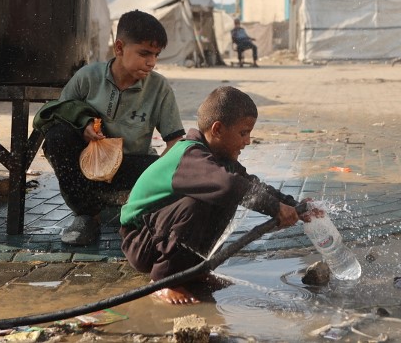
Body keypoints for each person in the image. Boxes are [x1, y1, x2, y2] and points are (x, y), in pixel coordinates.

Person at [119, 86, 303, 304]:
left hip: (157, 234)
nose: (248, 141)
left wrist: (295, 206)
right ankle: (165, 279)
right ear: (217, 129)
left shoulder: (220, 160)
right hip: (141, 241)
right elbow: (229, 185)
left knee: (235, 191)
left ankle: (195, 270)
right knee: (211, 197)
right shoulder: (189, 155)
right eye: (243, 133)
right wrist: (274, 208)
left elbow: (250, 185)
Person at [34, 10, 185, 246]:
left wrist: (156, 180)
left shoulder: (159, 88)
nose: (152, 63)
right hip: (88, 166)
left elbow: (176, 142)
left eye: (156, 55)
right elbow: (55, 115)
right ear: (119, 48)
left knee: (183, 167)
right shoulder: (88, 77)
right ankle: (87, 217)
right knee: (56, 137)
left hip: (131, 166)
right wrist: (83, 125)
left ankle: (132, 205)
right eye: (144, 53)